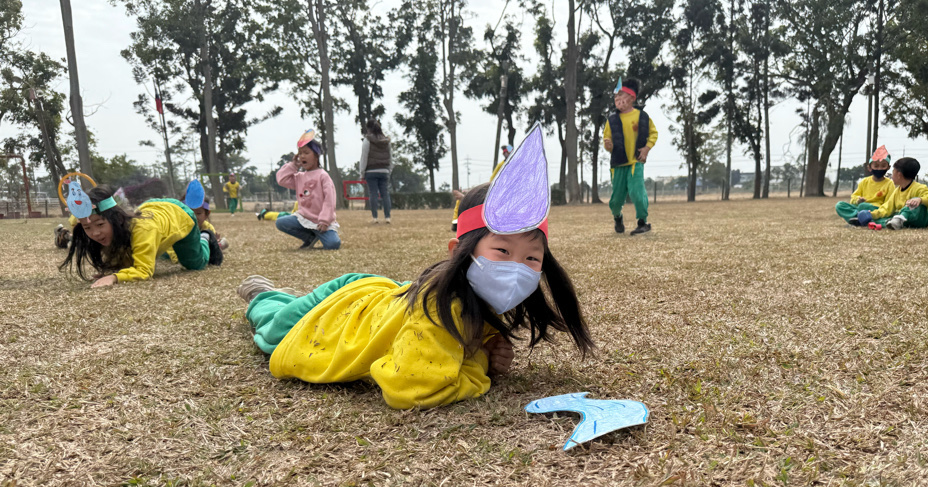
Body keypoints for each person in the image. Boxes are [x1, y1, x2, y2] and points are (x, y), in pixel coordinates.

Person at [238, 127, 592, 409]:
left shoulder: (475, 297)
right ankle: (263, 296)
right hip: (344, 311)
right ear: (459, 252)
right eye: (502, 250)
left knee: (293, 309)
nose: (516, 269)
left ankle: (283, 298)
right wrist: (481, 361)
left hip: (374, 298)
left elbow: (458, 342)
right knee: (273, 329)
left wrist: (488, 344)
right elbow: (409, 388)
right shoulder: (442, 311)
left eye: (532, 259)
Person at [60, 185, 222, 288]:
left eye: (100, 224)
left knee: (195, 264)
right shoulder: (107, 230)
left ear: (116, 219)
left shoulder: (143, 229)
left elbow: (144, 271)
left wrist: (115, 277)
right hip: (151, 207)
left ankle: (205, 236)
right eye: (87, 228)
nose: (95, 233)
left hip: (180, 214)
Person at [603, 77, 657, 236]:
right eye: (615, 97)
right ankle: (617, 217)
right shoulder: (612, 120)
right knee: (616, 200)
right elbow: (607, 139)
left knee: (637, 193)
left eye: (621, 95)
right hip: (618, 164)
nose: (617, 99)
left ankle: (642, 222)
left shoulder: (642, 117)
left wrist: (647, 148)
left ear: (632, 97)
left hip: (635, 163)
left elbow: (653, 133)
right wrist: (608, 146)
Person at [274, 139, 340, 249]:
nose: (302, 156)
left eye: (306, 152)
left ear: (316, 155)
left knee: (333, 244)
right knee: (280, 223)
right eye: (300, 153)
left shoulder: (323, 176)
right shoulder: (299, 177)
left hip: (321, 223)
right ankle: (309, 237)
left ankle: (320, 233)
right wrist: (293, 165)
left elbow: (329, 200)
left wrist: (324, 221)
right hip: (303, 219)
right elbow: (281, 180)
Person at [857, 157, 928, 230]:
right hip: (905, 221)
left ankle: (897, 220)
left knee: (912, 204)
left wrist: (920, 200)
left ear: (899, 175)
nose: (891, 175)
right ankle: (874, 220)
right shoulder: (897, 191)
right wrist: (872, 214)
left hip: (921, 219)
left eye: (893, 172)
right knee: (868, 208)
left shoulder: (919, 188)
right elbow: (886, 208)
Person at [451, 144, 512, 232]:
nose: (507, 155)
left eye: (508, 153)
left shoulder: (515, 164)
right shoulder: (501, 165)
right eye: (506, 153)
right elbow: (493, 177)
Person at [835, 146, 896, 225]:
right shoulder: (864, 182)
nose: (879, 169)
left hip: (876, 210)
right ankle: (861, 218)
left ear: (888, 167)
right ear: (869, 167)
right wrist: (858, 200)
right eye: (876, 166)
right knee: (839, 205)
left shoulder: (889, 183)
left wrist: (877, 212)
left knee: (864, 206)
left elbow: (889, 204)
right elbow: (853, 198)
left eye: (883, 166)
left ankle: (861, 219)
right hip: (860, 208)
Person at [360, 119, 393, 225]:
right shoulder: (386, 141)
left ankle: (375, 217)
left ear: (368, 128)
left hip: (371, 171)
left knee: (373, 193)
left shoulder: (367, 140)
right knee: (385, 194)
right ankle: (387, 217)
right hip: (384, 170)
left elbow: (364, 157)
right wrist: (389, 170)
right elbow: (390, 157)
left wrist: (362, 172)